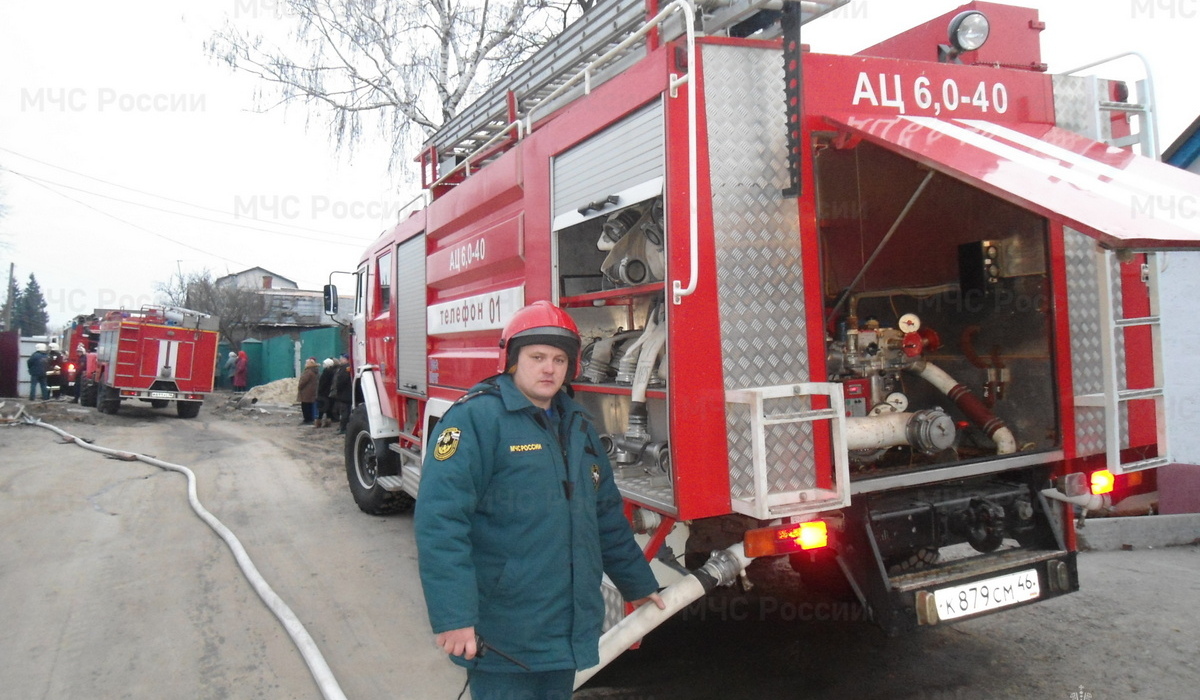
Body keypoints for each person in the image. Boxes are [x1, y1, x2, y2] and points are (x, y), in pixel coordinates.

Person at [414, 301, 664, 700]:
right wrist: (455, 617)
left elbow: (604, 517)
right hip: (503, 633)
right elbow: (440, 524)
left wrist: (636, 583)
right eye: (537, 357)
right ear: (512, 361)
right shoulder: (475, 420)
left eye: (559, 359)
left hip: (563, 632)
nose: (549, 368)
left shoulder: (578, 425)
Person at [333, 354, 353, 434]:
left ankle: (343, 428)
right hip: (345, 394)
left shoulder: (346, 368)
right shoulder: (343, 368)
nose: (340, 359)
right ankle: (343, 427)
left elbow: (342, 380)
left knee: (345, 412)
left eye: (342, 358)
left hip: (345, 394)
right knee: (345, 411)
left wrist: (338, 387)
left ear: (346, 359)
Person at [315, 358, 337, 428]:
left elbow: (322, 384)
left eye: (324, 364)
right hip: (329, 393)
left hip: (323, 393)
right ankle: (328, 422)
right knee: (328, 408)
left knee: (321, 408)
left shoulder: (326, 372)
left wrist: (319, 391)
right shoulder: (333, 372)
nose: (323, 365)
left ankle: (319, 422)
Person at [297, 357, 319, 425]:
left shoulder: (308, 372)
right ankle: (310, 419)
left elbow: (303, 382)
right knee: (310, 405)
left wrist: (299, 387)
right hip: (311, 391)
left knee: (305, 406)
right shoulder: (315, 371)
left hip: (305, 392)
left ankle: (307, 420)